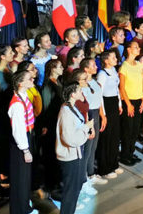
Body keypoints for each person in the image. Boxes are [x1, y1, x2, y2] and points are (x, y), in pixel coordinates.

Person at [56, 81, 92, 214]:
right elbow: (69, 138)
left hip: (75, 153)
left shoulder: (71, 107)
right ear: (72, 94)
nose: (81, 92)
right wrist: (85, 128)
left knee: (75, 189)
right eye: (78, 91)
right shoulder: (66, 111)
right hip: (69, 156)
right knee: (71, 190)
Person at [7, 69, 36, 214]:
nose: (33, 80)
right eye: (29, 79)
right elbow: (18, 129)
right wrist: (25, 150)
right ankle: (20, 210)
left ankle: (25, 207)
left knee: (25, 178)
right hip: (20, 143)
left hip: (27, 137)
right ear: (20, 83)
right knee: (20, 179)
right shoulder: (17, 104)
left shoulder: (23, 96)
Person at [119, 42, 143, 161]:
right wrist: (128, 104)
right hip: (128, 101)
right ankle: (125, 155)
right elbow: (122, 87)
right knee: (128, 129)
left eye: (138, 47)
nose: (138, 49)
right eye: (135, 47)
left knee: (135, 129)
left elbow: (142, 82)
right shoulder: (124, 66)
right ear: (128, 49)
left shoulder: (138, 64)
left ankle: (131, 152)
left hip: (138, 100)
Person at [94, 48, 122, 178]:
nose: (116, 59)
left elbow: (117, 89)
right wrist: (103, 114)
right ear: (106, 60)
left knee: (115, 136)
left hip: (114, 104)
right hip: (106, 105)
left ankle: (113, 163)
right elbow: (99, 95)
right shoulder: (102, 74)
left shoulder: (114, 71)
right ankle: (104, 168)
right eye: (113, 58)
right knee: (106, 137)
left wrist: (120, 104)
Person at [77, 57, 105, 185]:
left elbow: (98, 99)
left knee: (94, 146)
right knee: (87, 148)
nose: (96, 67)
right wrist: (88, 122)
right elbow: (83, 104)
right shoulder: (81, 86)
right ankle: (83, 176)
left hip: (96, 113)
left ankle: (90, 172)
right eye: (93, 65)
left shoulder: (94, 82)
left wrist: (102, 115)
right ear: (86, 68)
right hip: (87, 115)